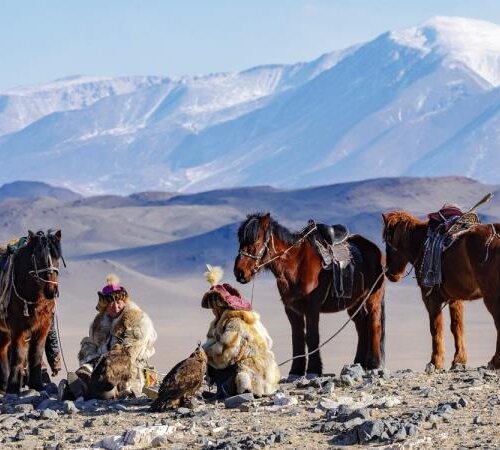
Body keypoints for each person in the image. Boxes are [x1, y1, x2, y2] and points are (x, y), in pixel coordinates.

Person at [59, 274, 157, 400]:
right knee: (85, 372)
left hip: (127, 367)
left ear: (124, 301)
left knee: (107, 376)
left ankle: (103, 391)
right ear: (105, 306)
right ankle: (77, 388)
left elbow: (132, 352)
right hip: (100, 362)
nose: (115, 306)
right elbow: (91, 343)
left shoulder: (138, 320)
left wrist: (109, 358)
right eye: (111, 303)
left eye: (119, 302)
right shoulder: (99, 322)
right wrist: (93, 358)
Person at [201, 265, 280, 398]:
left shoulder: (235, 322)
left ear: (221, 308)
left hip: (254, 370)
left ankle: (241, 387)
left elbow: (225, 354)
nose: (213, 312)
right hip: (261, 368)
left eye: (215, 308)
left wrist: (204, 356)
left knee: (227, 373)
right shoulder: (220, 323)